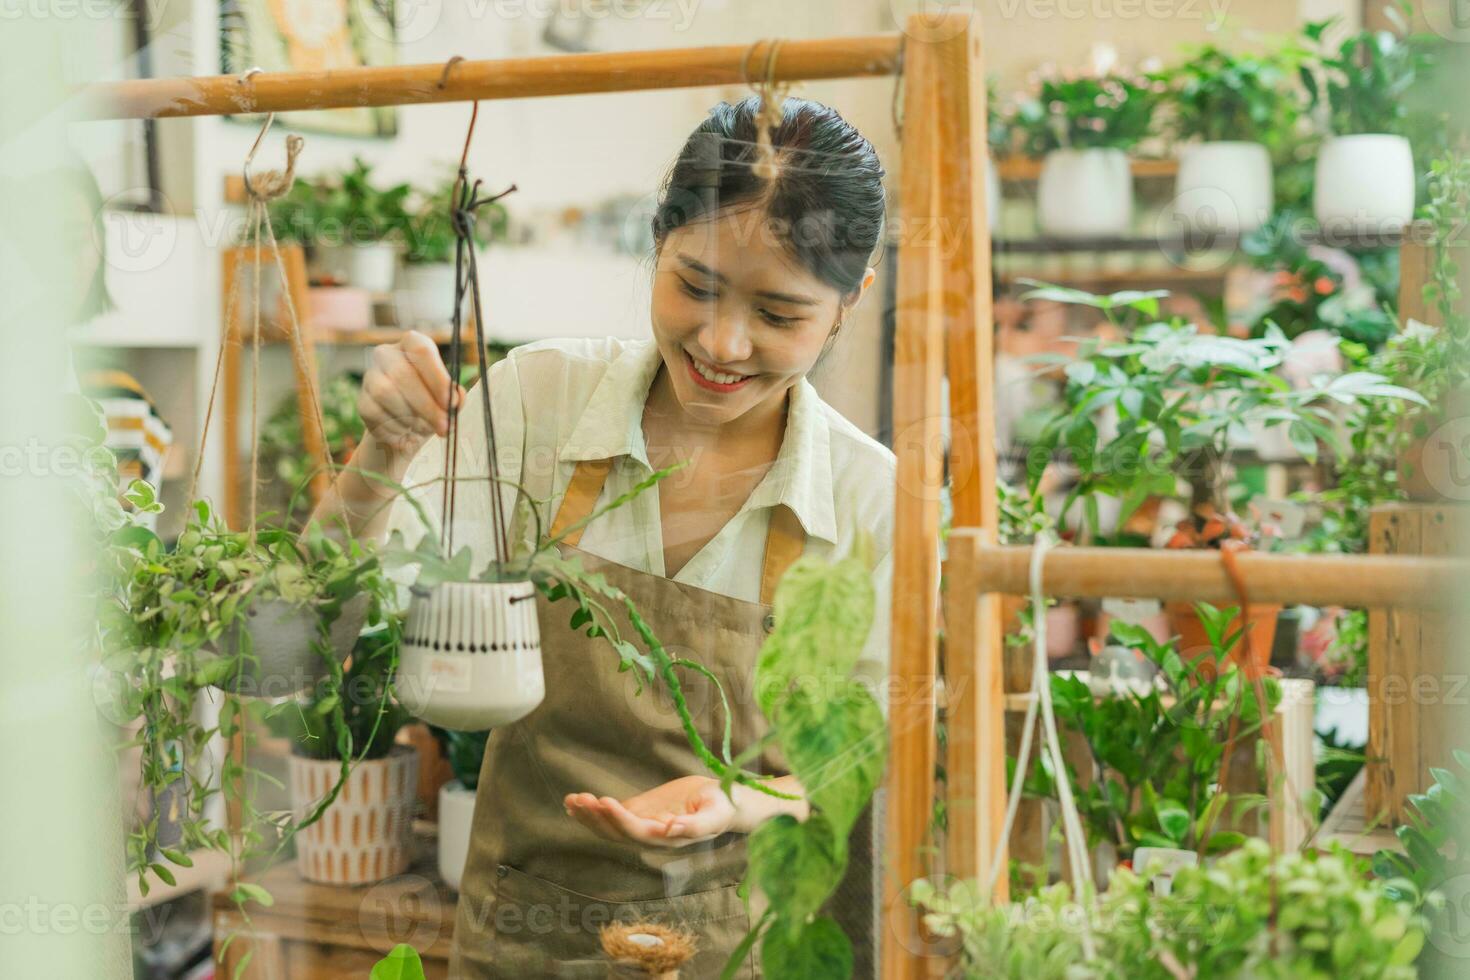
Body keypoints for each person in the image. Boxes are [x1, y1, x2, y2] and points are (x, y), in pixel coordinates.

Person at [312, 96, 895, 977]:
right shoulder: (542, 399)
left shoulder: (868, 496)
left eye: (779, 315)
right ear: (658, 242)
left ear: (852, 300)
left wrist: (734, 799)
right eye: (694, 286)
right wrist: (381, 453)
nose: (723, 342)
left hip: (737, 949)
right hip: (521, 932)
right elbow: (313, 632)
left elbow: (864, 766)